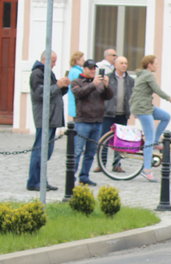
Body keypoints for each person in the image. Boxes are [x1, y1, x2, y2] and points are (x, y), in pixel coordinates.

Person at [26, 51, 69, 192]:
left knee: (47, 152)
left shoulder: (48, 72)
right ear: (45, 59)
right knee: (40, 150)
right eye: (53, 61)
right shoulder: (37, 73)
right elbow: (40, 94)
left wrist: (63, 86)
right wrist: (57, 85)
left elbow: (55, 93)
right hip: (44, 117)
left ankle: (42, 180)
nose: (55, 64)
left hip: (52, 117)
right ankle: (33, 181)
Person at [131, 55, 171, 182]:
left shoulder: (142, 74)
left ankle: (156, 142)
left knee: (166, 117)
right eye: (155, 63)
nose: (157, 65)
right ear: (149, 65)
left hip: (147, 106)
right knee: (149, 139)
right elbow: (158, 91)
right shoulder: (148, 75)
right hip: (143, 109)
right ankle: (147, 170)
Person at [70, 59, 113, 186]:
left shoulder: (99, 83)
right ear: (84, 69)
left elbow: (109, 96)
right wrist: (93, 84)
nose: (93, 70)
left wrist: (106, 85)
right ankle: (71, 177)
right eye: (90, 68)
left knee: (90, 152)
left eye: (94, 68)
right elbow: (79, 94)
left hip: (97, 121)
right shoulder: (77, 82)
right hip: (82, 121)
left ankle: (84, 176)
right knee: (77, 151)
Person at [97, 56, 134, 173]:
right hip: (108, 113)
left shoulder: (130, 80)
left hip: (123, 113)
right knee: (104, 139)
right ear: (116, 65)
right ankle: (101, 163)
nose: (124, 65)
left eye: (126, 63)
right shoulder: (109, 77)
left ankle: (117, 164)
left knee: (120, 140)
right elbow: (100, 93)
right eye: (122, 63)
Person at [66, 51, 85, 119]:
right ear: (77, 60)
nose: (84, 61)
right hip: (77, 103)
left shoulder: (72, 70)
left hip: (74, 102)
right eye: (82, 59)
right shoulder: (77, 72)